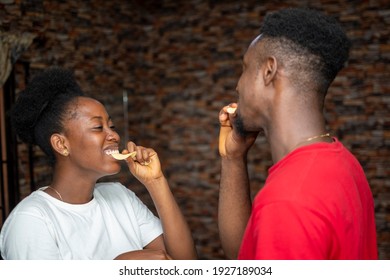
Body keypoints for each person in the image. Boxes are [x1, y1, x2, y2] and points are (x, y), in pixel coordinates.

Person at [218, 8, 377, 259]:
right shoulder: (344, 163)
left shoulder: (288, 201)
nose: (238, 84)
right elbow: (247, 256)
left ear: (269, 71)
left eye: (245, 68)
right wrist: (233, 159)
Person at [0, 67, 197, 260]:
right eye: (97, 127)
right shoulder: (31, 220)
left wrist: (156, 181)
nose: (114, 135)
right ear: (61, 144)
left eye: (111, 126)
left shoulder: (121, 197)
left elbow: (186, 266)